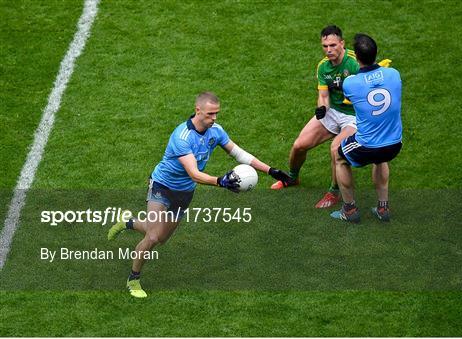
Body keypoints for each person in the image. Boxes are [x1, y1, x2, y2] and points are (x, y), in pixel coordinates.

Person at [108, 92, 291, 298]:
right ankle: (133, 279)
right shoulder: (182, 137)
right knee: (152, 236)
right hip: (163, 185)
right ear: (198, 111)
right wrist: (220, 181)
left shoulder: (216, 131)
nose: (214, 118)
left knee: (161, 237)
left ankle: (127, 222)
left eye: (217, 114)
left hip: (184, 191)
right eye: (210, 114)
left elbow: (239, 154)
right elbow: (194, 174)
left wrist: (271, 171)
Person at [271, 25, 391, 209]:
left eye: (333, 45)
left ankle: (333, 192)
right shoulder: (323, 67)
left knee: (336, 150)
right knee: (298, 145)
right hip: (333, 112)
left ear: (342, 44)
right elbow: (324, 95)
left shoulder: (354, 63)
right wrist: (322, 108)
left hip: (354, 117)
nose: (329, 50)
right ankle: (292, 178)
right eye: (325, 46)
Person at [331, 33, 402, 223]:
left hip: (367, 145)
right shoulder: (394, 74)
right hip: (395, 144)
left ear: (358, 58)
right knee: (381, 159)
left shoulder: (351, 83)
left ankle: (349, 210)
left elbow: (349, 93)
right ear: (376, 53)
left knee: (339, 156)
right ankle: (383, 207)